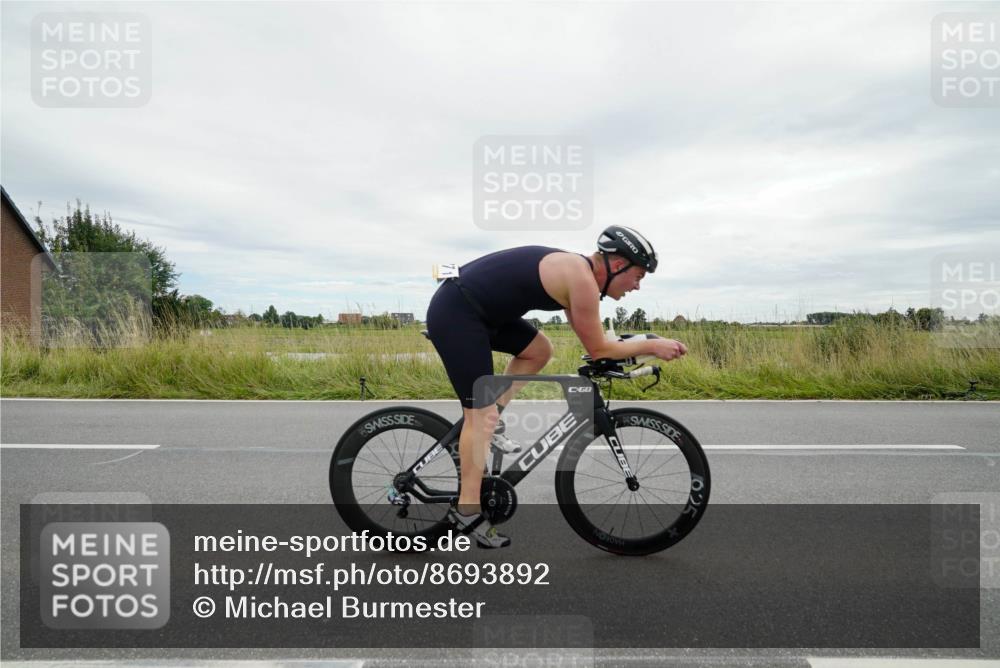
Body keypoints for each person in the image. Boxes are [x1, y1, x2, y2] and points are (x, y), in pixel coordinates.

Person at [425, 226, 688, 548]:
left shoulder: (579, 276)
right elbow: (599, 350)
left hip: (483, 312)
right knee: (479, 416)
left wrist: (643, 344)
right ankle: (467, 510)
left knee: (538, 350)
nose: (636, 286)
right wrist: (654, 345)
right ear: (618, 264)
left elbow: (597, 341)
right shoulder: (581, 280)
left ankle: (493, 417)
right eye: (638, 276)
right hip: (458, 312)